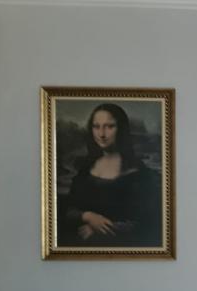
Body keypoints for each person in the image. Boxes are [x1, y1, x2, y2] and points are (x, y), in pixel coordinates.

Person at [59, 103, 162, 247]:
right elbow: (69, 210)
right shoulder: (86, 168)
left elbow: (145, 222)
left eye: (109, 126)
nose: (101, 134)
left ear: (121, 129)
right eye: (96, 127)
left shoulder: (137, 171)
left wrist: (99, 229)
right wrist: (88, 216)